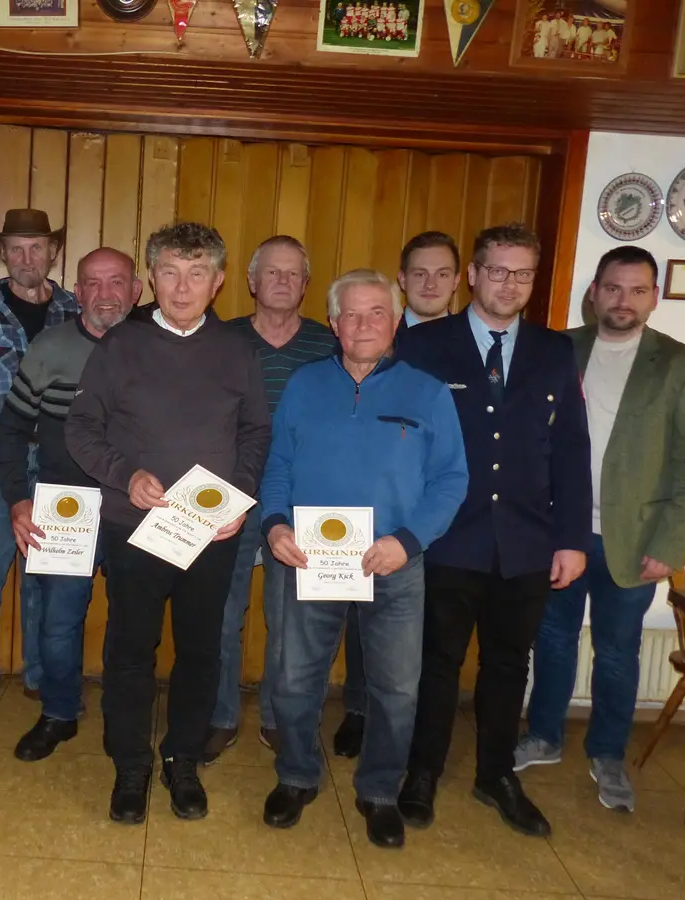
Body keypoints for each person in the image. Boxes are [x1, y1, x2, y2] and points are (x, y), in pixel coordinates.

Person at [67, 222, 270, 825]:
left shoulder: (236, 350)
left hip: (211, 532)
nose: (183, 288)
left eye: (197, 274)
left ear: (218, 281)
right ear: (151, 278)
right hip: (135, 526)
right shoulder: (120, 345)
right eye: (171, 273)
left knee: (201, 650)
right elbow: (81, 428)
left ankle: (182, 759)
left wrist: (239, 496)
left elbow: (256, 432)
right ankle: (130, 765)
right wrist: (125, 475)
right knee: (131, 650)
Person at [260, 269, 467, 849]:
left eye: (377, 312)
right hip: (311, 559)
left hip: (393, 562)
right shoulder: (304, 385)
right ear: (333, 323)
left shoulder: (428, 392)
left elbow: (451, 480)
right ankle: (296, 776)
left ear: (396, 320)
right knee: (295, 678)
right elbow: (278, 465)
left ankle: (379, 791)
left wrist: (409, 540)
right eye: (350, 314)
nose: (363, 324)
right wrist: (274, 523)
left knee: (396, 689)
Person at [396, 222, 590, 838]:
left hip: (526, 542)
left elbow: (571, 450)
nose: (510, 284)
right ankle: (422, 772)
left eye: (523, 274)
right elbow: (402, 445)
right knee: (436, 663)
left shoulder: (554, 352)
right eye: (498, 271)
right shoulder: (424, 345)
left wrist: (571, 538)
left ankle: (496, 774)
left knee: (508, 665)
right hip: (447, 537)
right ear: (474, 275)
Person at [517, 246, 685, 813]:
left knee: (616, 650)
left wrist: (671, 543)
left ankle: (607, 754)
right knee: (551, 638)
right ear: (594, 293)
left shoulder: (682, 365)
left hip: (635, 539)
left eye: (637, 290)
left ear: (654, 297)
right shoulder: (559, 349)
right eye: (612, 287)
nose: (623, 300)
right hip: (560, 531)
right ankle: (544, 736)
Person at [0, 247, 141, 761]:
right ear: (76, 292)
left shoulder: (156, 349)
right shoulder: (50, 347)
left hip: (135, 508)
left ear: (136, 290)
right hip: (64, 507)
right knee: (57, 623)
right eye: (92, 283)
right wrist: (18, 499)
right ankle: (58, 713)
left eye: (117, 281)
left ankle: (125, 717)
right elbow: (12, 429)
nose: (105, 294)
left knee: (134, 622)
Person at [205, 236, 336, 764]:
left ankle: (282, 720)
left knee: (290, 622)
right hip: (228, 494)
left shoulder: (330, 343)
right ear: (252, 281)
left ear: (306, 284)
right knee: (221, 612)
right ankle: (219, 716)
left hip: (301, 502)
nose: (282, 281)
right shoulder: (221, 340)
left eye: (293, 273)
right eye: (272, 272)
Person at [0, 208, 79, 731]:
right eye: (16, 248)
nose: (27, 257)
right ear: (2, 253)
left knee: (42, 574)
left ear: (53, 252)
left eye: (37, 247)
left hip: (56, 457)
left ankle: (38, 674)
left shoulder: (75, 310)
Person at [397, 230, 461, 338]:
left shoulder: (473, 341)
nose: (430, 285)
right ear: (403, 280)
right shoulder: (379, 339)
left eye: (442, 275)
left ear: (456, 281)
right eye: (420, 274)